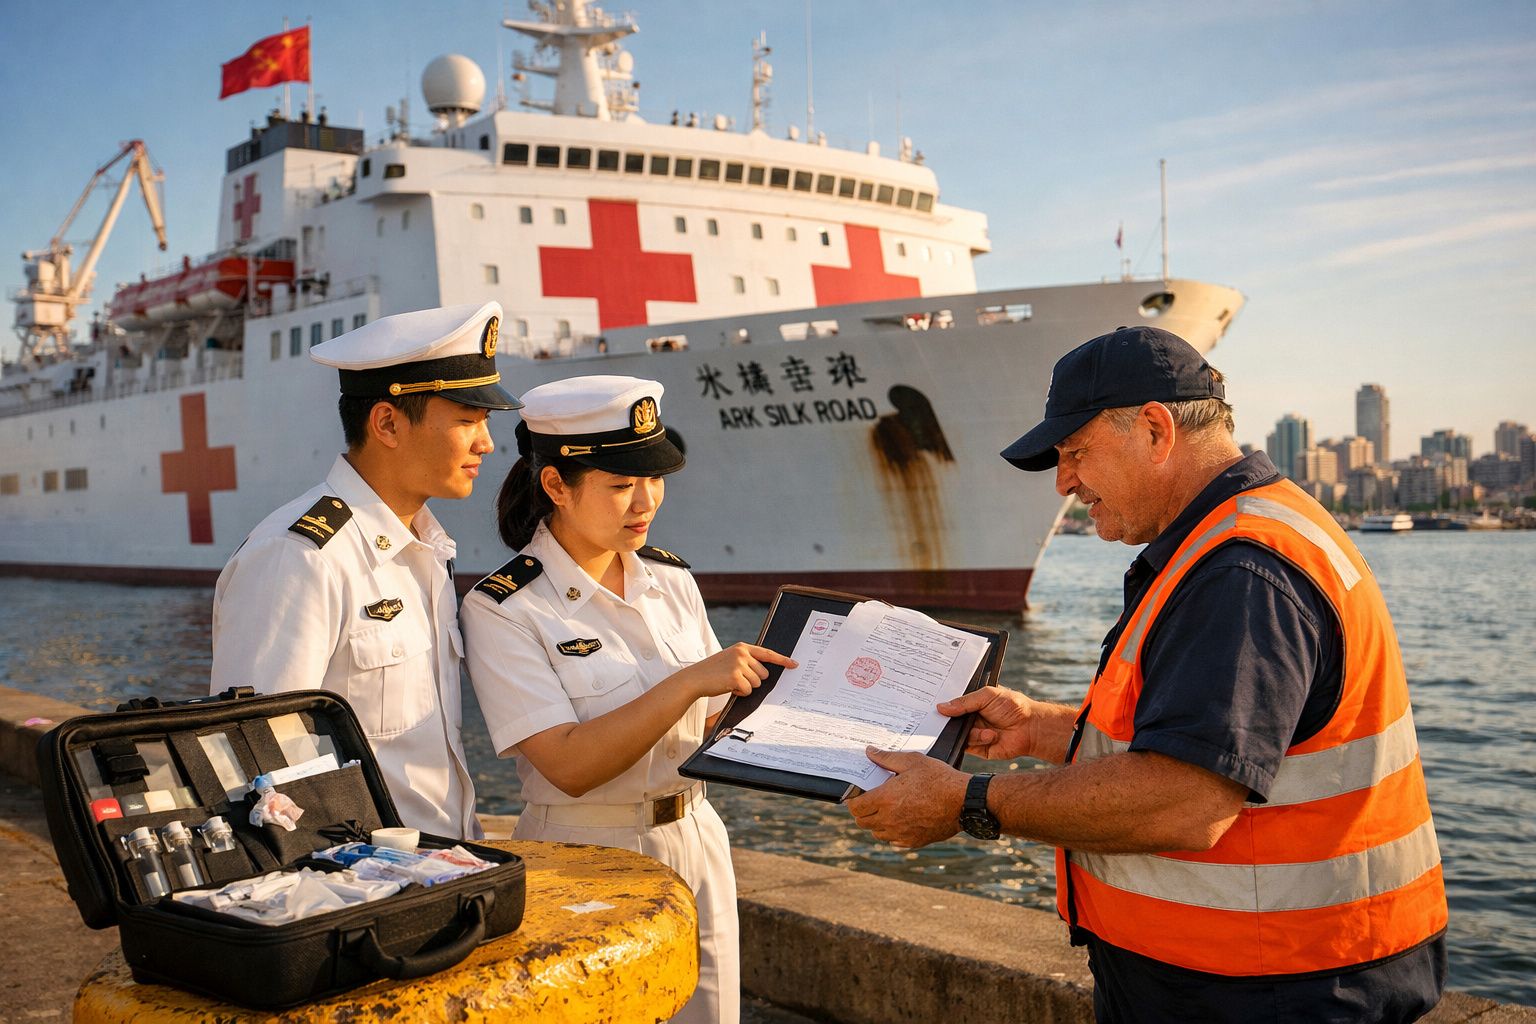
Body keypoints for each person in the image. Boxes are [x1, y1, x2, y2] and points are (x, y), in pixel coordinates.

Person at [847, 326, 1448, 1023]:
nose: (1064, 482)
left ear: (1157, 430)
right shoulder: (1243, 537)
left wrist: (967, 801)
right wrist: (1039, 728)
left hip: (1275, 989)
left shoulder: (1240, 569)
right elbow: (1209, 741)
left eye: (1075, 453)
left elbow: (1185, 800)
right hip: (1270, 974)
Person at [460, 375, 795, 1024]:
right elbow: (568, 764)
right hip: (586, 856)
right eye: (620, 485)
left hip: (697, 834)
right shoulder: (505, 607)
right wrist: (690, 681)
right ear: (556, 485)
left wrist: (798, 708)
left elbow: (711, 724)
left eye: (654, 479)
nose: (645, 502)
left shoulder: (670, 579)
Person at [210, 301, 520, 840]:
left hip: (443, 862)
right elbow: (255, 755)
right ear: (387, 423)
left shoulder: (427, 549)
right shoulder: (301, 556)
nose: (487, 443)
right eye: (468, 421)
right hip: (358, 874)